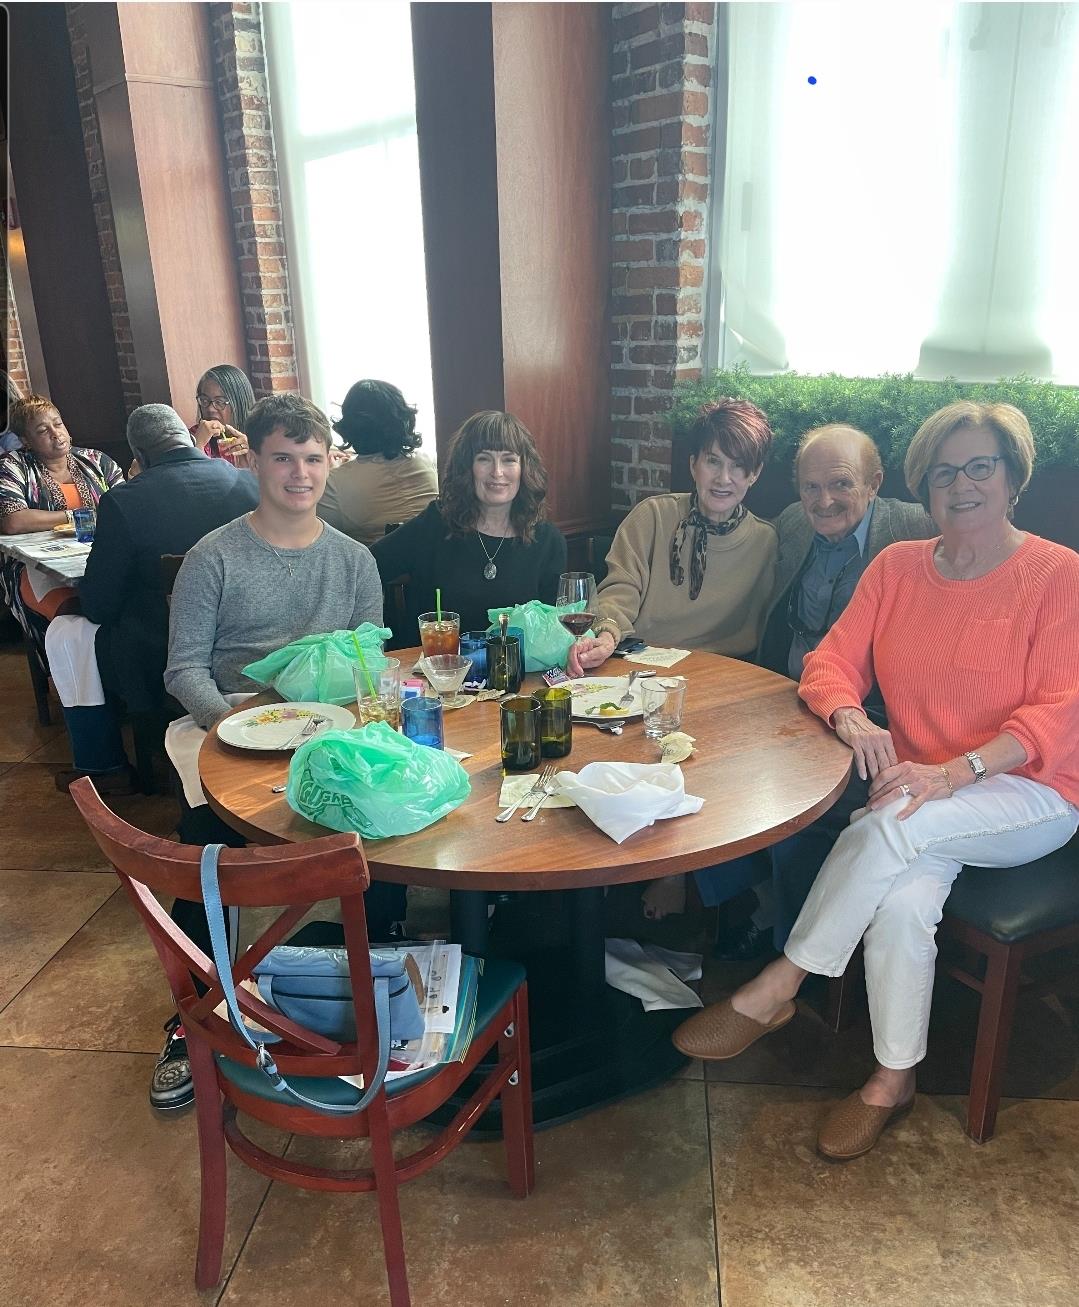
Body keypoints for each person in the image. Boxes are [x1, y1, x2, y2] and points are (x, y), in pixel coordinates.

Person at [673, 401, 1079, 1160]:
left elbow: (1056, 716)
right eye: (942, 471)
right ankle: (892, 1081)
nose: (959, 484)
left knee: (891, 823)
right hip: (919, 790)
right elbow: (827, 663)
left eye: (978, 466)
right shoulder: (896, 568)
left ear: (1012, 475)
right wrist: (851, 718)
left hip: (1034, 789)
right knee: (901, 898)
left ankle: (777, 985)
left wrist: (950, 771)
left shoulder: (1058, 574)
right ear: (922, 485)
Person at [154, 392, 384, 1112]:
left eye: (312, 458)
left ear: (329, 463)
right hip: (232, 730)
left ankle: (371, 991)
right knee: (207, 853)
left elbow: (369, 656)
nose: (299, 473)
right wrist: (238, 725)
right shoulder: (212, 555)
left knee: (389, 829)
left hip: (332, 732)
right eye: (282, 457)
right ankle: (192, 1011)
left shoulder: (354, 560)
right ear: (252, 460)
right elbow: (182, 668)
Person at [699, 424, 935, 959]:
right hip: (786, 695)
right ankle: (737, 896)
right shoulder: (791, 527)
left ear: (874, 482)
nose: (823, 501)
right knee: (703, 755)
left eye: (841, 484)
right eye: (810, 487)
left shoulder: (914, 533)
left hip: (871, 714)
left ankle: (789, 953)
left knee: (794, 795)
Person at [566, 398, 778, 920]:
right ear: (693, 465)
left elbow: (770, 627)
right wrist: (607, 634)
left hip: (720, 679)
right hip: (635, 667)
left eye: (737, 465)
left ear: (754, 474)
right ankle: (597, 880)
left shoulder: (767, 542)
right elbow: (620, 589)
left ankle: (677, 873)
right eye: (712, 461)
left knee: (714, 754)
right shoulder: (654, 516)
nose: (722, 477)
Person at [45, 405, 260, 794]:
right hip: (250, 635)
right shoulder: (247, 484)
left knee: (67, 633)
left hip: (161, 653)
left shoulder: (125, 501)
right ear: (187, 436)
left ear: (140, 457)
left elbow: (100, 602)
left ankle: (107, 765)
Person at [370, 409, 566, 635]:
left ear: (524, 469)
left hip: (517, 669)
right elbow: (365, 568)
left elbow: (554, 631)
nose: (497, 472)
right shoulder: (435, 524)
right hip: (436, 668)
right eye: (484, 459)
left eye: (509, 459)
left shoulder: (548, 541)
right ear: (466, 467)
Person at [0, 396, 123, 647]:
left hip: (101, 558)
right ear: (26, 441)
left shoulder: (96, 461)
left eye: (58, 424)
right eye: (43, 430)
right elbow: (13, 520)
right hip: (37, 568)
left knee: (125, 604)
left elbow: (127, 505)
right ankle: (68, 675)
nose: (56, 434)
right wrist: (75, 515)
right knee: (76, 615)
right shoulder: (12, 467)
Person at [317, 379, 438, 545]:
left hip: (379, 568)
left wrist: (329, 473)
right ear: (404, 419)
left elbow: (306, 527)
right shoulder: (427, 461)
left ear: (349, 425)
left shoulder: (335, 485)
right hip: (435, 564)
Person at [188, 363, 255, 467]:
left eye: (219, 402)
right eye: (204, 400)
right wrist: (198, 446)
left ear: (239, 404)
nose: (210, 409)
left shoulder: (260, 439)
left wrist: (251, 460)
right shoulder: (193, 436)